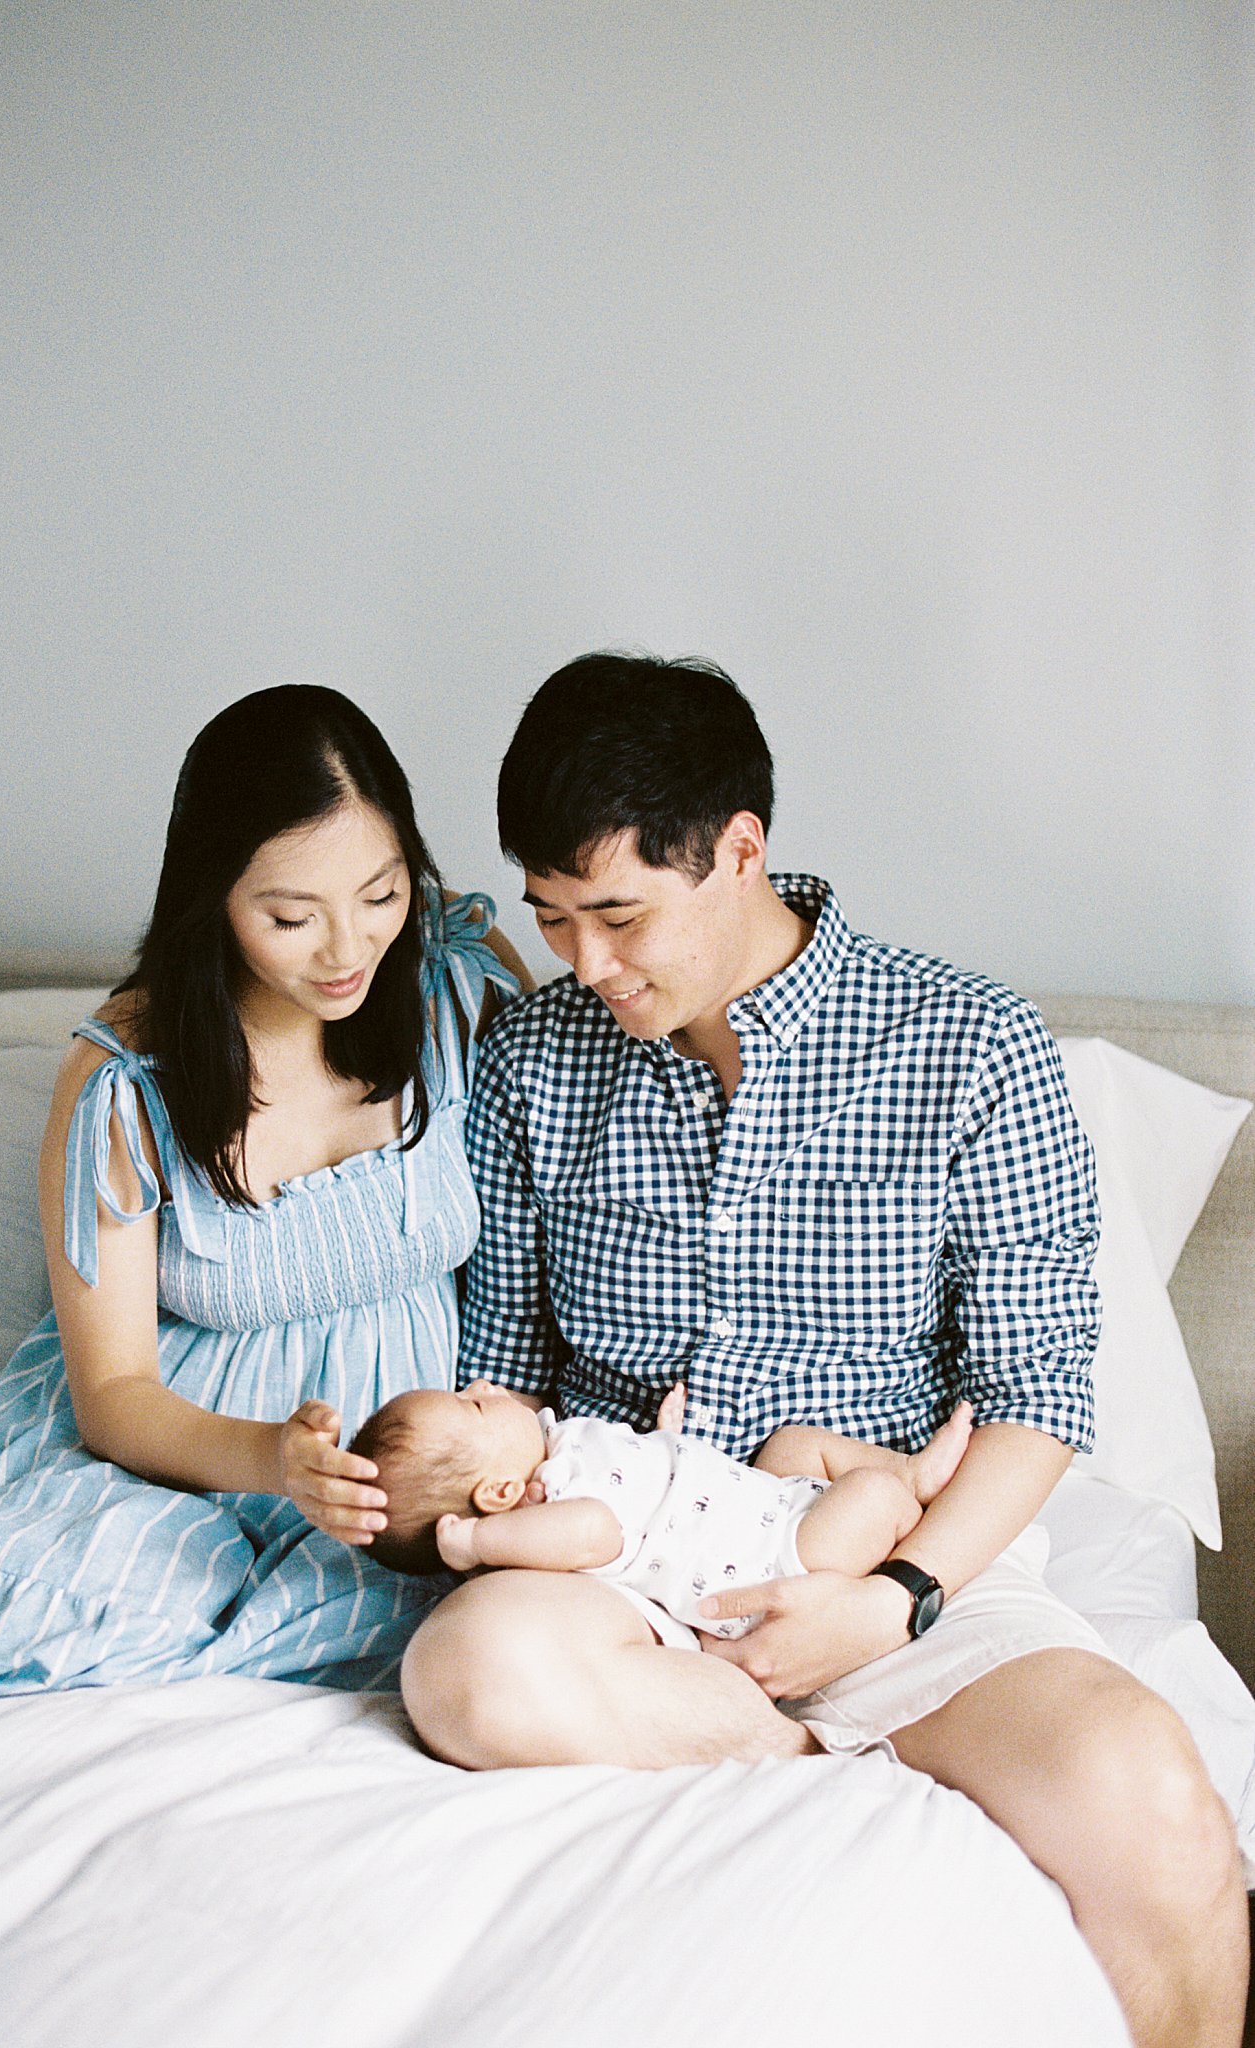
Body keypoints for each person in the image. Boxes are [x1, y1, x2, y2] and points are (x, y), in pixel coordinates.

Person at [398, 652, 1247, 2048]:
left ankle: (882, 1707)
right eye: (554, 920)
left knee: (1153, 1800)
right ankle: (817, 1748)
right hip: (631, 1563)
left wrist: (896, 1600)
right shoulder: (528, 1061)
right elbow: (510, 1375)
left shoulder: (972, 1044)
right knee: (466, 1676)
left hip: (889, 1555)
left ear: (742, 854)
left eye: (619, 917)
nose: (586, 966)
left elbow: (1035, 1397)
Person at [0, 684, 527, 1700]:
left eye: (381, 893)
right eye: (289, 915)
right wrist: (276, 1459)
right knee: (115, 1600)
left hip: (406, 1471)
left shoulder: (458, 981)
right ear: (214, 896)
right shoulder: (128, 1078)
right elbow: (116, 1397)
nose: (347, 949)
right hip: (185, 1457)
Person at [351, 1378, 972, 1671]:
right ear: (497, 1493)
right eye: (477, 1404)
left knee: (793, 1444)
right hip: (778, 1563)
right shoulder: (551, 1516)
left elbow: (642, 1494)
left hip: (771, 1499)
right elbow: (603, 1531)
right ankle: (910, 1485)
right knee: (869, 1493)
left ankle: (904, 1473)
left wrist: (662, 1442)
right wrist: (474, 1542)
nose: (484, 1383)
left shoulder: (555, 1450)